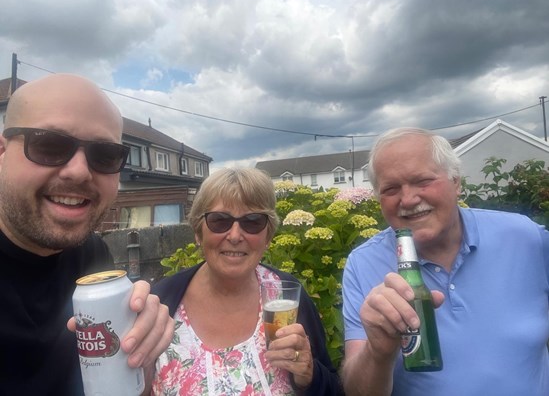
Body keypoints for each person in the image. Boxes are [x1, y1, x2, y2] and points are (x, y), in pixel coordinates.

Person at [0, 73, 175, 395]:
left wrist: (142, 358)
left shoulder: (92, 254)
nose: (80, 171)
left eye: (105, 155)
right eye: (49, 144)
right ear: (2, 150)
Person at [341, 127, 549, 395]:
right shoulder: (363, 264)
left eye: (422, 181)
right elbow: (358, 392)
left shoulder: (524, 238)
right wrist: (377, 352)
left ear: (456, 182)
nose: (409, 199)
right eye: (391, 189)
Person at [147, 167, 343, 395]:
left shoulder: (287, 296)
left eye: (252, 221)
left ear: (268, 235)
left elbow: (333, 388)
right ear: (198, 232)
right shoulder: (161, 303)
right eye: (219, 221)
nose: (235, 235)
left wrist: (309, 375)